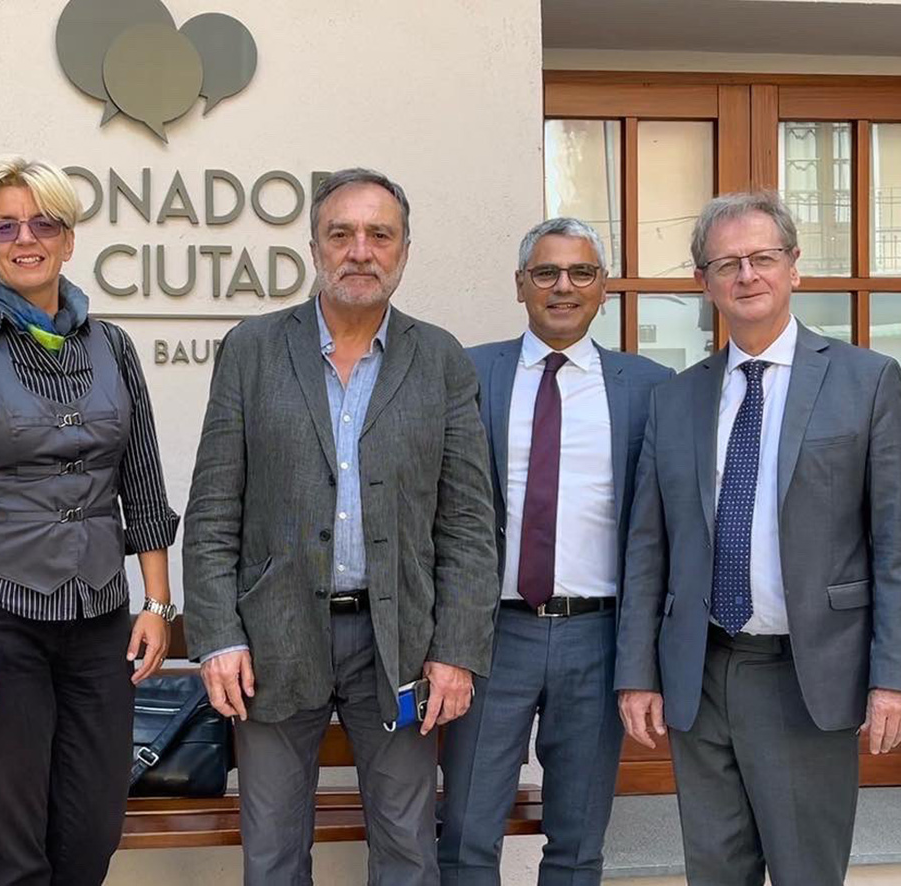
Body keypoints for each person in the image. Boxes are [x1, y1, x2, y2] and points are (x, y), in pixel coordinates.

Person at [183, 167, 500, 886]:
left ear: (404, 251)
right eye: (342, 234)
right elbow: (212, 510)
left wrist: (456, 649)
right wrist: (218, 637)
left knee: (408, 850)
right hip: (272, 638)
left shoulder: (441, 359)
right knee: (272, 854)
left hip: (400, 643)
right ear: (314, 248)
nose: (361, 251)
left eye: (379, 235)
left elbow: (468, 524)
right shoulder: (253, 349)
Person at [0, 154, 179, 885]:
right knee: (15, 852)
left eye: (43, 224)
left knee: (91, 835)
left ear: (68, 239)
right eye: (5, 226)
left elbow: (142, 483)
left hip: (100, 622)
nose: (25, 239)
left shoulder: (115, 348)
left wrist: (157, 602)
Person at [615, 191, 901, 886]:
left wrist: (891, 677)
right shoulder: (674, 399)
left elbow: (894, 544)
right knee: (714, 872)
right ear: (703, 282)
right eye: (727, 263)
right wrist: (637, 673)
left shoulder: (867, 382)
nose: (746, 275)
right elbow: (649, 548)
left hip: (808, 675)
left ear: (793, 266)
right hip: (700, 674)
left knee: (806, 872)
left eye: (762, 258)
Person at [438, 218, 672, 885]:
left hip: (598, 638)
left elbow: (660, 529)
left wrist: (643, 658)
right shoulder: (469, 372)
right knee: (465, 835)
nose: (563, 286)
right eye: (546, 273)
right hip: (491, 636)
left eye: (580, 273)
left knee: (578, 842)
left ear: (603, 288)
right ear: (520, 285)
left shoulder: (649, 386)